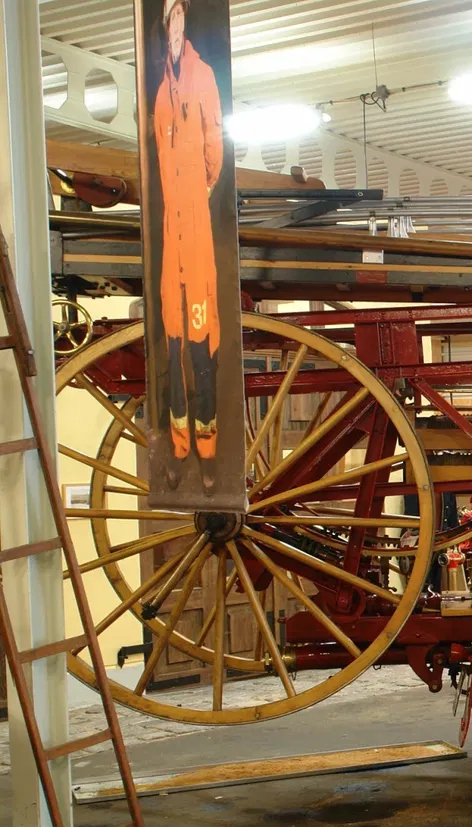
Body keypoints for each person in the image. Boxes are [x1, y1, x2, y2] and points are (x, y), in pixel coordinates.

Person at [151, 0, 225, 491]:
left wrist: (202, 186)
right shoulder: (161, 92)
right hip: (170, 227)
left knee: (201, 344)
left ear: (186, 23)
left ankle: (209, 450)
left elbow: (214, 138)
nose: (175, 27)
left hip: (195, 223)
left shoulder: (203, 77)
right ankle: (179, 447)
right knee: (172, 344)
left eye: (180, 18)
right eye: (168, 20)